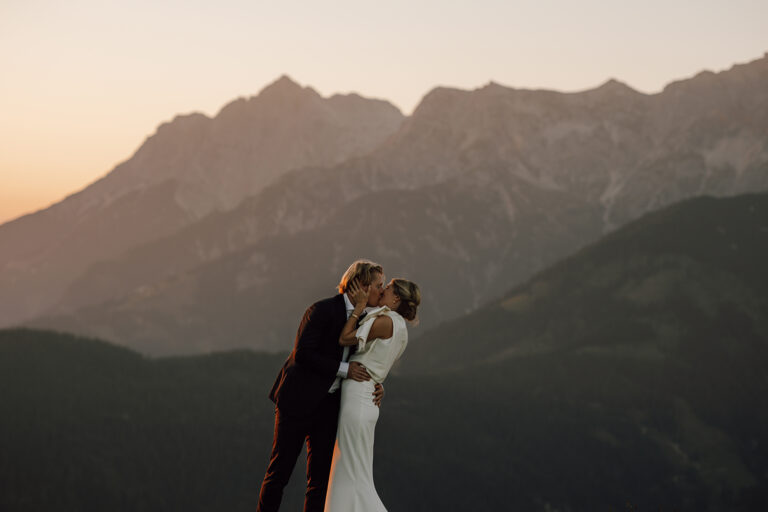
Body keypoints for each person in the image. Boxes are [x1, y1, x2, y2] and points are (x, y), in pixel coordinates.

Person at [257, 260, 386, 512]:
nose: (382, 292)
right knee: (279, 473)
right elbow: (303, 353)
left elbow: (369, 360)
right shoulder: (322, 310)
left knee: (320, 480)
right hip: (297, 401)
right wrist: (345, 370)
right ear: (360, 285)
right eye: (378, 286)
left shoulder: (367, 319)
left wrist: (378, 385)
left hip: (328, 406)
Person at [323, 278, 421, 512]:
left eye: (386, 288)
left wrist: (358, 308)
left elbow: (345, 338)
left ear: (396, 298)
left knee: (349, 473)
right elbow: (379, 363)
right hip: (368, 397)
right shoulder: (401, 328)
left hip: (357, 398)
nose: (382, 290)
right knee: (355, 473)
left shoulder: (385, 320)